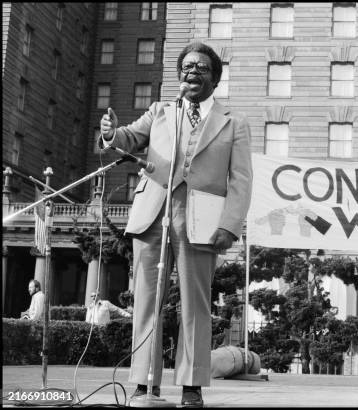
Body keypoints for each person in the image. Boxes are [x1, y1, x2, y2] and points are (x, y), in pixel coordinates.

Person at [99, 41, 252, 407]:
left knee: (194, 305)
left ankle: (192, 385)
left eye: (201, 68)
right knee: (146, 301)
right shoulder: (161, 112)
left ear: (214, 78)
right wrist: (109, 132)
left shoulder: (234, 123)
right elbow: (127, 139)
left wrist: (230, 225)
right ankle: (143, 382)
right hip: (154, 215)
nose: (192, 72)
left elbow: (241, 180)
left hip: (201, 222)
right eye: (186, 67)